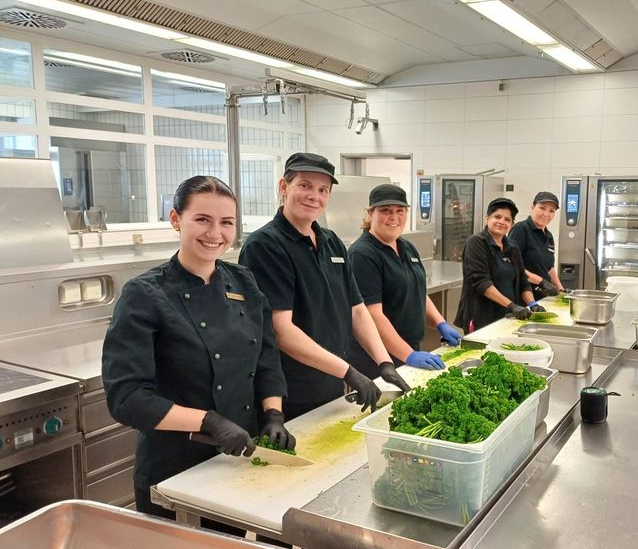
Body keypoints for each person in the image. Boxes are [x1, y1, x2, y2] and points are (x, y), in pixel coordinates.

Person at [102, 175, 294, 518]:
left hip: (238, 463)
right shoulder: (144, 294)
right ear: (176, 219)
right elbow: (127, 398)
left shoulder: (244, 282)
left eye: (226, 222)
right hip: (174, 472)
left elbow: (266, 357)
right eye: (203, 219)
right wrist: (207, 421)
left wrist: (273, 415)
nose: (215, 233)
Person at [239, 153, 410, 419]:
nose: (314, 196)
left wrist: (384, 362)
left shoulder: (331, 242)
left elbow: (357, 310)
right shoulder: (266, 246)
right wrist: (348, 371)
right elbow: (280, 329)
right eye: (305, 185)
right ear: (284, 187)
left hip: (330, 382)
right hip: (287, 392)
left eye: (323, 190)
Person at [347, 184, 462, 375]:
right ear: (370, 214)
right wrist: (409, 355)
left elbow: (419, 292)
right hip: (378, 358)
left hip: (407, 349)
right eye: (385, 210)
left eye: (400, 210)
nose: (394, 217)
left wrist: (441, 324)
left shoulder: (407, 247)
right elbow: (372, 315)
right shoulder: (362, 254)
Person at [454, 197, 546, 332]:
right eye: (497, 217)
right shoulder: (476, 243)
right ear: (487, 218)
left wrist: (532, 304)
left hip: (507, 318)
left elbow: (523, 281)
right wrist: (512, 306)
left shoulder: (512, 247)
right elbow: (481, 283)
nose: (502, 222)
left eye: (507, 219)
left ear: (512, 224)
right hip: (481, 318)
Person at [508, 191, 566, 299]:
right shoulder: (521, 229)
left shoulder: (549, 236)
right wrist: (541, 282)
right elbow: (511, 265)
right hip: (523, 297)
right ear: (533, 207)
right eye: (542, 208)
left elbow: (549, 268)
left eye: (551, 211)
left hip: (543, 297)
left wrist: (561, 290)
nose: (546, 214)